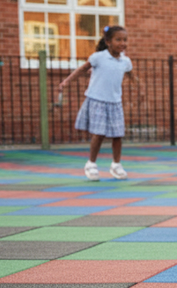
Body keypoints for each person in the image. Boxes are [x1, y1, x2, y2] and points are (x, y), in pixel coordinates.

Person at [58, 25, 140, 181]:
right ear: (108, 41)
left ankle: (116, 165)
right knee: (99, 133)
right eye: (118, 40)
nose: (122, 43)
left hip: (115, 102)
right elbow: (82, 69)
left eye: (125, 40)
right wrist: (66, 82)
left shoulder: (125, 61)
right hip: (97, 100)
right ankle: (91, 164)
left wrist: (139, 89)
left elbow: (131, 75)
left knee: (118, 135)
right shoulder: (98, 57)